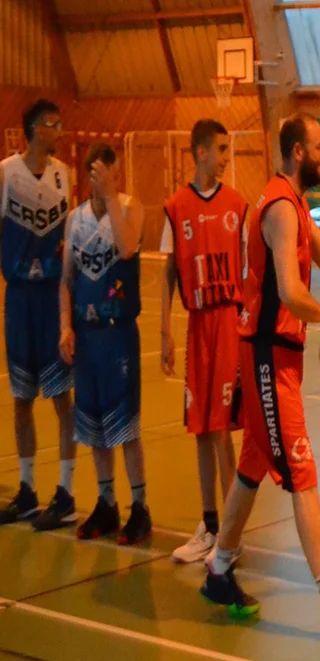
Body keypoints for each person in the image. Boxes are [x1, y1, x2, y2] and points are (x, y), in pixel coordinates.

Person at [199, 113, 320, 641]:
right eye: (319, 146)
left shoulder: (296, 202)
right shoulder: (282, 208)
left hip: (278, 356)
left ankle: (219, 568)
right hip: (267, 354)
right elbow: (289, 291)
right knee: (302, 472)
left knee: (253, 465)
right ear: (297, 153)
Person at [160, 120, 250, 563]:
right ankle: (210, 523)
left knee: (221, 431)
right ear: (200, 153)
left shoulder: (238, 206)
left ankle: (231, 533)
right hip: (197, 325)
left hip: (228, 322)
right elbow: (167, 272)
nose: (226, 158)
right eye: (221, 149)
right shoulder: (176, 207)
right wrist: (164, 330)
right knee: (200, 427)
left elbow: (249, 270)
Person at [58, 143, 151, 544]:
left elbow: (127, 247)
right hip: (88, 334)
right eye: (94, 174)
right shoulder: (75, 219)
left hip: (119, 333)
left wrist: (111, 196)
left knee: (124, 426)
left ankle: (140, 507)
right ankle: (106, 501)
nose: (100, 180)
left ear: (116, 173)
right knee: (94, 426)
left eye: (106, 173)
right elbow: (67, 280)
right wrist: (66, 327)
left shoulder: (130, 207)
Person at [0, 99, 77, 529]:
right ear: (35, 129)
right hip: (19, 298)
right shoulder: (6, 173)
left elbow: (68, 233)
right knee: (21, 397)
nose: (59, 130)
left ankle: (65, 491)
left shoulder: (64, 174)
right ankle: (27, 489)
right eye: (53, 124)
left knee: (61, 398)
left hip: (51, 296)